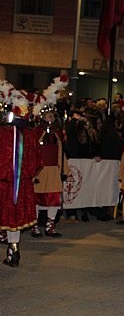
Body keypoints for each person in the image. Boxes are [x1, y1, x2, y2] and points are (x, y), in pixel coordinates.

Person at [0, 82, 45, 267]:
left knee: (8, 217)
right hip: (24, 184)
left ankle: (12, 251)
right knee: (16, 220)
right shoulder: (31, 135)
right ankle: (14, 249)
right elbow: (38, 163)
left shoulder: (2, 134)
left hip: (4, 183)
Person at [31, 84, 68, 237]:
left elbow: (61, 151)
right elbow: (32, 149)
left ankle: (50, 226)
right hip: (40, 170)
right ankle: (34, 226)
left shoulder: (58, 132)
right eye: (49, 115)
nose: (51, 118)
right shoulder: (37, 131)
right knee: (37, 199)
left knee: (53, 198)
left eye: (53, 115)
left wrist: (64, 170)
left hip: (54, 170)